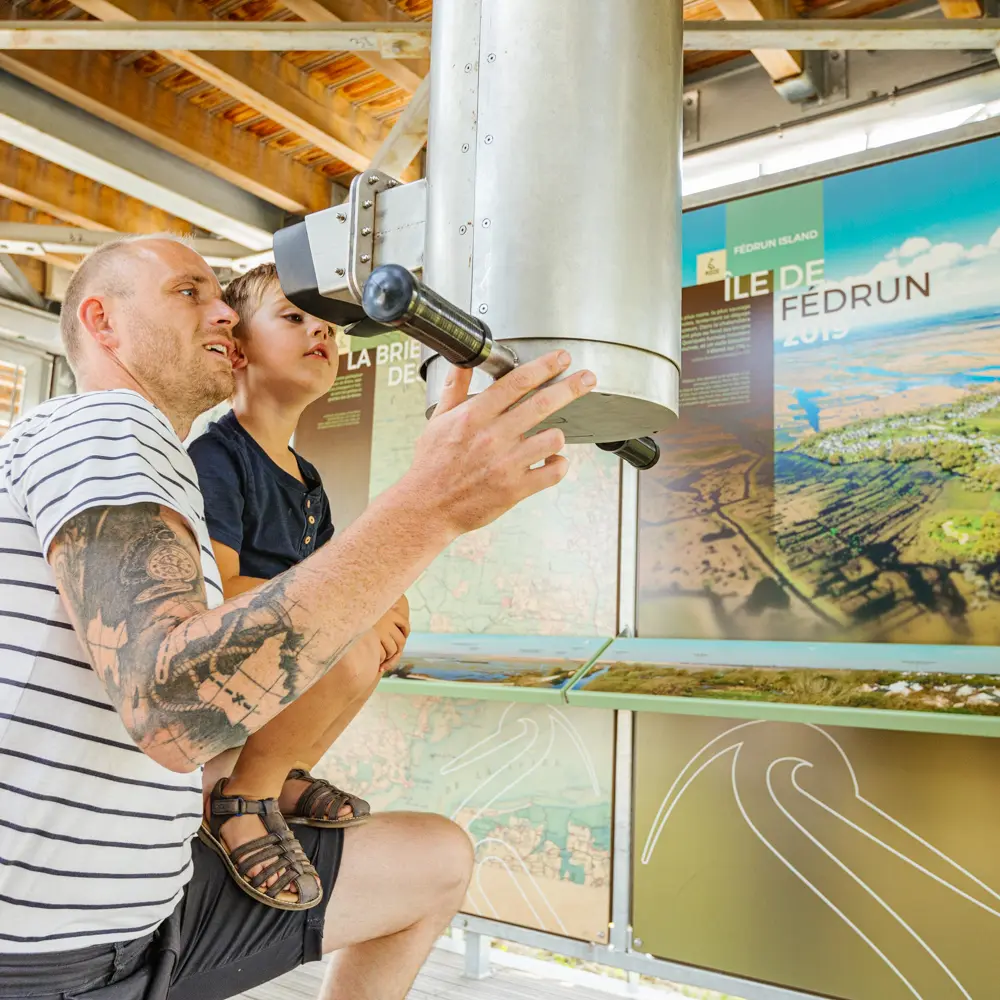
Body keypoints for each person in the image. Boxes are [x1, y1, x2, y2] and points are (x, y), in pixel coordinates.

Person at [0, 235, 594, 1000]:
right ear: (101, 322)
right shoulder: (105, 425)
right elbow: (170, 706)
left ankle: (256, 790)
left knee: (437, 860)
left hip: (150, 916)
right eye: (189, 292)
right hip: (53, 957)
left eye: (222, 296)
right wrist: (428, 508)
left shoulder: (160, 459)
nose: (222, 312)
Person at [187, 263, 407, 910]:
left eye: (330, 328)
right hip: (219, 663)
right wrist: (347, 607)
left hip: (273, 663)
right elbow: (218, 586)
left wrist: (382, 600)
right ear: (240, 347)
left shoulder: (305, 475)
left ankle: (281, 775)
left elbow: (336, 573)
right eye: (293, 317)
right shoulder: (217, 456)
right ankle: (238, 797)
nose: (321, 332)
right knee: (346, 639)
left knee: (370, 639)